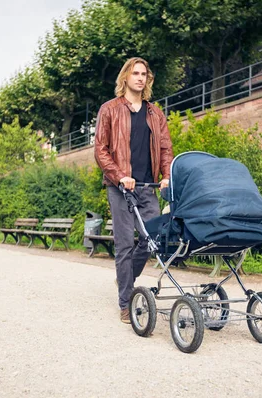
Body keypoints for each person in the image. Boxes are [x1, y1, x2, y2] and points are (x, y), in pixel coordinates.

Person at [94, 57, 174, 324]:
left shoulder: (155, 113)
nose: (140, 77)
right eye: (135, 73)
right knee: (125, 243)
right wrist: (119, 177)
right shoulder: (110, 109)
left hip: (147, 187)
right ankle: (125, 302)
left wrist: (166, 177)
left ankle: (125, 276)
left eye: (144, 74)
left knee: (153, 238)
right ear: (126, 77)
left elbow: (165, 149)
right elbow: (101, 150)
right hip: (120, 188)